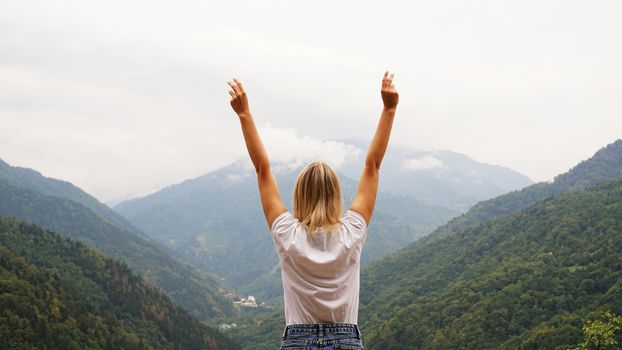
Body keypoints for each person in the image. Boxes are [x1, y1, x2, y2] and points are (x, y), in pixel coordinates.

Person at [228, 71, 398, 350]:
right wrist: (389, 109)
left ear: (299, 195)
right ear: (336, 195)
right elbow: (372, 166)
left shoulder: (286, 233)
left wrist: (244, 114)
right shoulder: (352, 232)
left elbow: (262, 170)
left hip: (297, 341)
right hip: (346, 341)